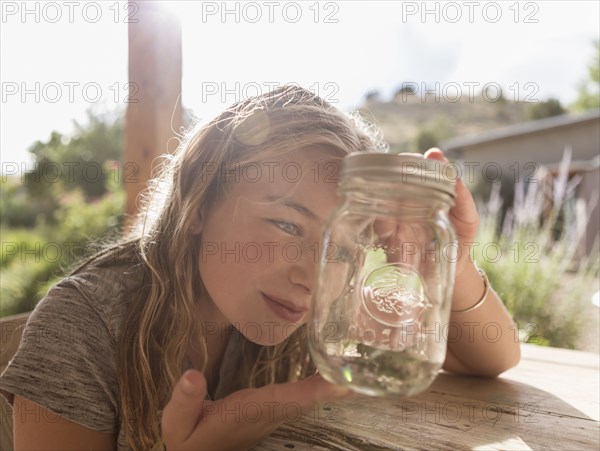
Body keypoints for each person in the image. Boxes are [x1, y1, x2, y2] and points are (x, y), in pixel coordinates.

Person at [0, 85, 520, 450]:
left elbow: (488, 360)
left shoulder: (320, 308)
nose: (313, 279)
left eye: (338, 246)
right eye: (288, 227)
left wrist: (449, 258)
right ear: (198, 203)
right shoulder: (83, 326)